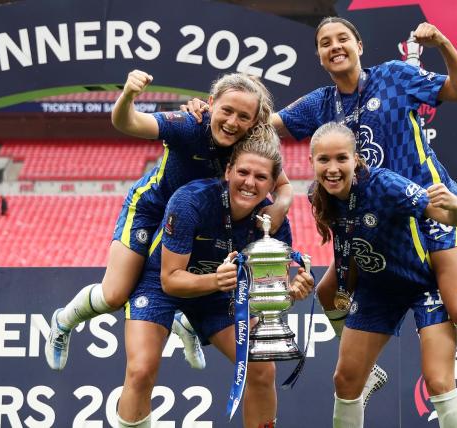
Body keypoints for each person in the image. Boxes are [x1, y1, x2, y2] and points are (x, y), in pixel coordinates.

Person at [182, 17, 457, 425]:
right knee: (330, 292)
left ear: (359, 45)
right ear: (318, 54)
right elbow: (259, 127)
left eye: (342, 38)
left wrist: (441, 43)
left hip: (430, 211)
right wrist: (206, 114)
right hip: (377, 229)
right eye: (325, 42)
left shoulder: (395, 77)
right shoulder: (320, 104)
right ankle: (366, 376)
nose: (334, 46)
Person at [45, 70, 293, 373]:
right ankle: (64, 320)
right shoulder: (189, 125)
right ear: (211, 102)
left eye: (243, 116)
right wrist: (129, 96)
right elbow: (128, 122)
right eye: (226, 110)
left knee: (202, 282)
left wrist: (281, 206)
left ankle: (186, 322)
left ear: (253, 121)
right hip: (152, 211)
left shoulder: (249, 143)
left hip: (198, 220)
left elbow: (283, 185)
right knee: (114, 295)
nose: (232, 122)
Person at [119, 131, 313, 428]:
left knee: (262, 369)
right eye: (243, 172)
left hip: (219, 295)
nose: (249, 182)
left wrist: (292, 289)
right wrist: (215, 281)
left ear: (273, 184)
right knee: (141, 370)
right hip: (161, 286)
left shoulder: (272, 223)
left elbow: (268, 290)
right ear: (228, 171)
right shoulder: (191, 201)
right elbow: (171, 280)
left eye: (261, 177)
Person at [310, 123, 457, 427]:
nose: (332, 169)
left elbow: (447, 216)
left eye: (341, 158)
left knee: (438, 381)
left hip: (424, 285)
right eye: (324, 160)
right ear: (311, 162)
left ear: (356, 159)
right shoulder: (319, 196)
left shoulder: (384, 185)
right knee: (345, 380)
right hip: (378, 289)